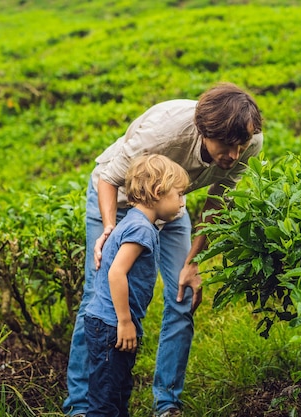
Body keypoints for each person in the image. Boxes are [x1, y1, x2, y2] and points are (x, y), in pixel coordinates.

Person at [63, 82, 263, 417]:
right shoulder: (164, 134)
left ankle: (168, 403)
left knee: (182, 296)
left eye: (240, 145)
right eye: (225, 145)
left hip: (171, 206)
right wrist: (111, 230)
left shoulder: (249, 139)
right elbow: (109, 178)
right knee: (96, 297)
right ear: (203, 132)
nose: (234, 154)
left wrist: (194, 261)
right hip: (118, 199)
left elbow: (219, 201)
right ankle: (81, 406)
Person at [84, 154, 190, 416]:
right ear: (158, 191)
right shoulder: (140, 229)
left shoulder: (133, 222)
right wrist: (125, 321)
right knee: (106, 399)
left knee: (118, 390)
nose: (182, 203)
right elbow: (116, 273)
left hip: (107, 324)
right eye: (179, 194)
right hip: (111, 325)